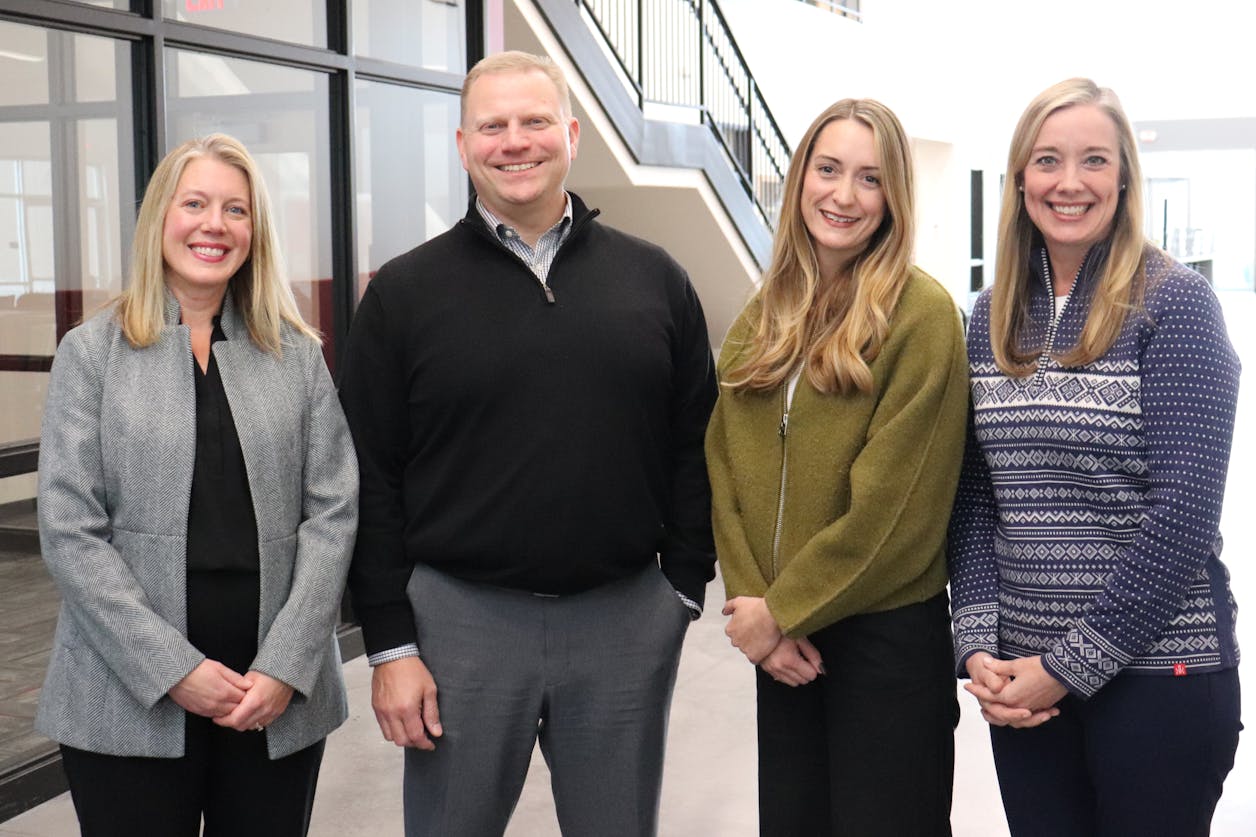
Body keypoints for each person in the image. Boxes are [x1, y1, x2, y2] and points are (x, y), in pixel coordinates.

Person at [337, 50, 717, 837]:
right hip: (457, 626)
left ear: (571, 134)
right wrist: (389, 643)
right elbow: (368, 475)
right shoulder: (404, 295)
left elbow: (697, 446)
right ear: (463, 143)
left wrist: (680, 587)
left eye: (535, 121)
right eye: (494, 125)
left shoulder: (657, 281)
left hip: (622, 619)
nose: (516, 141)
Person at [35, 134, 358, 837]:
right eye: (196, 203)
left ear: (254, 230)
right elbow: (69, 530)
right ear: (160, 218)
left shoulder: (297, 356)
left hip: (273, 694)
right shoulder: (91, 354)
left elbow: (333, 515)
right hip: (125, 690)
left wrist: (285, 664)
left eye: (235, 209)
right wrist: (173, 668)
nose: (215, 224)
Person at [949, 78, 1242, 836]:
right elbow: (976, 493)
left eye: (1093, 161)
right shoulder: (989, 316)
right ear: (1020, 179)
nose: (1069, 182)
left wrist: (1065, 667)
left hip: (1159, 679)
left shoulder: (1174, 304)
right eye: (1048, 160)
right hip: (1024, 684)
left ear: (1123, 178)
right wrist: (979, 641)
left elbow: (1182, 516)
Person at [705, 98, 969, 836]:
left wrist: (779, 610)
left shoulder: (922, 315)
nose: (843, 196)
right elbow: (723, 465)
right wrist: (754, 605)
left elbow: (896, 512)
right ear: (800, 180)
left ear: (893, 200)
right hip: (787, 646)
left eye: (869, 178)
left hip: (882, 645)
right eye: (828, 169)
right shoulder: (767, 313)